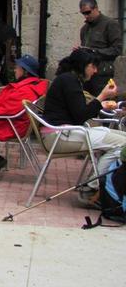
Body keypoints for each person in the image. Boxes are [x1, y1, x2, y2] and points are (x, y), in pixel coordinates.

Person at [43, 49, 126, 205]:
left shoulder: (67, 79)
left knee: (123, 139)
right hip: (59, 136)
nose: (95, 71)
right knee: (122, 145)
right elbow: (80, 115)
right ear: (83, 65)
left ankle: (98, 185)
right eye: (93, 66)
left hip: (65, 132)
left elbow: (78, 113)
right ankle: (91, 187)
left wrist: (100, 103)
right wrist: (102, 96)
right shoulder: (69, 81)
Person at [77, 0, 123, 96]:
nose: (86, 16)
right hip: (86, 74)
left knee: (103, 106)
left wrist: (94, 51)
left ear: (96, 8)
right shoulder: (84, 29)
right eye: (83, 13)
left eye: (88, 12)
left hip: (102, 74)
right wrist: (80, 51)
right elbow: (86, 50)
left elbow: (117, 49)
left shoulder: (110, 24)